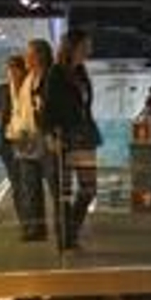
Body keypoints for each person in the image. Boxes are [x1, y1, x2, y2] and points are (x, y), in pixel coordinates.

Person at [42, 29, 103, 249]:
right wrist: (50, 134)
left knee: (89, 189)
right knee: (65, 192)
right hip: (66, 138)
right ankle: (67, 237)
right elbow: (48, 109)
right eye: (86, 45)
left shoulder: (81, 71)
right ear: (74, 47)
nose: (90, 49)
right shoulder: (56, 73)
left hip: (85, 136)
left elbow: (85, 107)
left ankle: (71, 231)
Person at [9, 39, 57, 240]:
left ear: (39, 56)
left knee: (56, 187)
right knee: (31, 187)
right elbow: (20, 109)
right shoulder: (28, 79)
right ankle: (36, 229)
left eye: (29, 53)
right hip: (27, 141)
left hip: (46, 140)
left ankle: (65, 230)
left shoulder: (50, 78)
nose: (25, 57)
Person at [0, 55, 27, 188]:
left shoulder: (28, 88)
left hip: (27, 140)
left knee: (27, 181)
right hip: (7, 141)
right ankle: (22, 208)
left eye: (15, 68)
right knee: (16, 181)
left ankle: (28, 207)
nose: (12, 71)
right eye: (9, 68)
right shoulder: (3, 89)